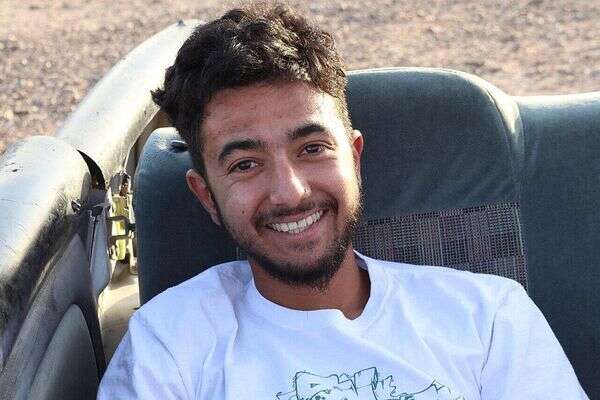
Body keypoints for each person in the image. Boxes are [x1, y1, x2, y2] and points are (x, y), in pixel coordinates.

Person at [98, 3, 588, 399]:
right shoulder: (169, 347)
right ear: (206, 195)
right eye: (246, 164)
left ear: (353, 158)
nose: (291, 192)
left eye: (312, 149)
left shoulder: (488, 319)